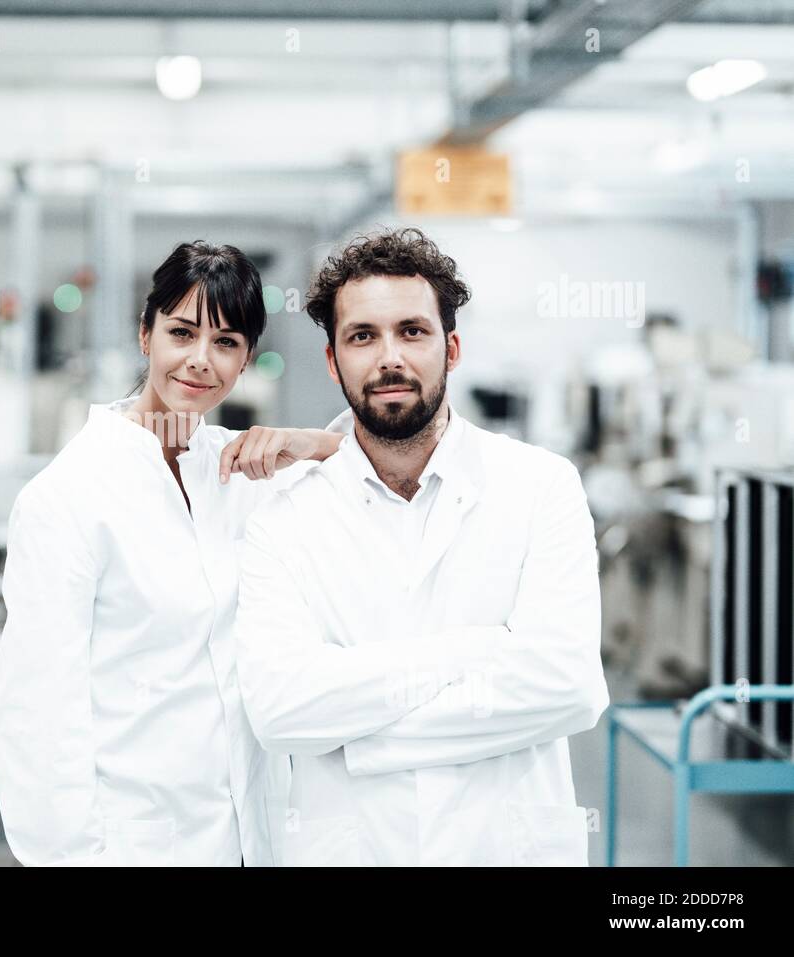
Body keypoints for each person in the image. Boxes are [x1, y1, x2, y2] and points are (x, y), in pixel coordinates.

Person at [234, 227, 609, 866]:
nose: (389, 358)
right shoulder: (283, 513)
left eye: (412, 330)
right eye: (362, 336)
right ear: (332, 361)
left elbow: (570, 687)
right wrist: (480, 650)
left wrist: (363, 740)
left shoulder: (541, 486)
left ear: (451, 346)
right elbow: (282, 712)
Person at [0, 241, 349, 866]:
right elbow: (37, 713)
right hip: (132, 845)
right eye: (182, 333)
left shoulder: (244, 474)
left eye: (227, 342)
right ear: (145, 334)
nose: (200, 361)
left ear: (247, 361)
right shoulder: (70, 497)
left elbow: (381, 472)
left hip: (250, 839)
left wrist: (305, 440)